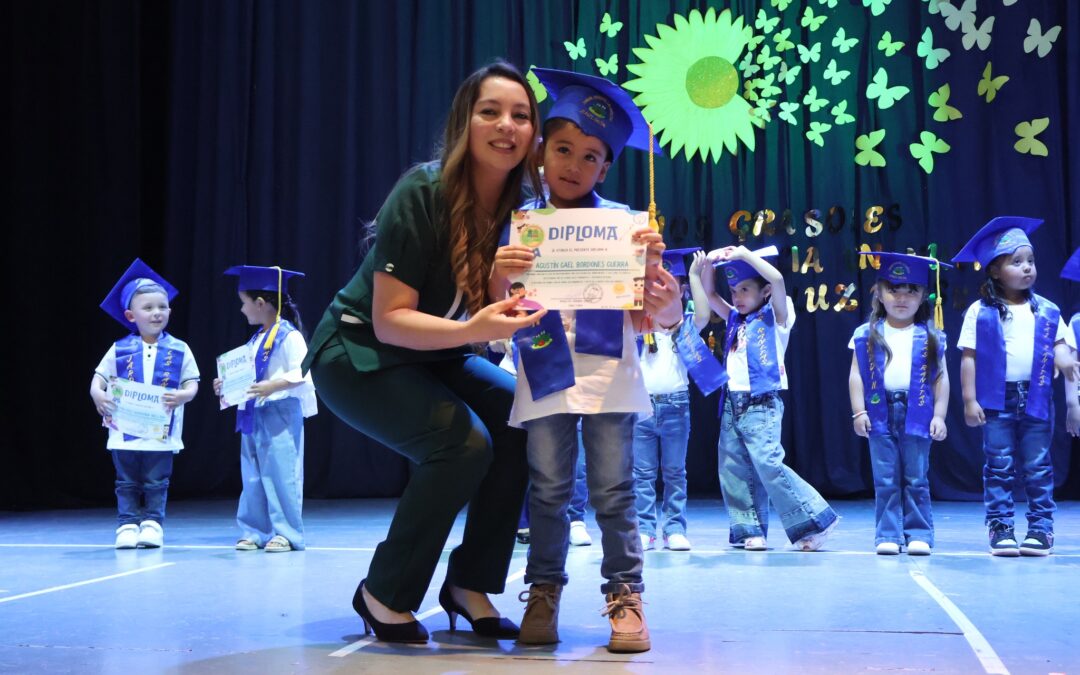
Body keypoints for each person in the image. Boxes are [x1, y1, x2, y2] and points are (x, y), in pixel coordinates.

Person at [301, 61, 545, 644]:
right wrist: (477, 327)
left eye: (521, 115)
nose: (506, 125)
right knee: (462, 444)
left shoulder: (522, 212)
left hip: (432, 352)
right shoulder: (423, 191)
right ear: (464, 122)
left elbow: (486, 308)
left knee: (523, 418)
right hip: (356, 352)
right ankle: (384, 592)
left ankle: (469, 585)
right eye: (490, 112)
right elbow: (389, 321)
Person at [501, 68, 683, 654]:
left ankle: (625, 595)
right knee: (548, 490)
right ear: (540, 152)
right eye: (563, 149)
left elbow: (660, 317)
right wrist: (500, 276)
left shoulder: (627, 229)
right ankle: (543, 591)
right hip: (545, 370)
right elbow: (499, 305)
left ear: (605, 169)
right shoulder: (522, 228)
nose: (574, 165)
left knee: (613, 491)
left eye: (590, 156)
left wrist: (660, 291)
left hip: (609, 375)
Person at [694, 245, 839, 552]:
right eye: (734, 290)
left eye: (745, 289)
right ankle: (750, 531)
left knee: (768, 464)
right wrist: (707, 265)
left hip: (761, 402)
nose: (737, 297)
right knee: (733, 468)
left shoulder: (777, 317)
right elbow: (710, 294)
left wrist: (744, 254)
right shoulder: (735, 319)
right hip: (732, 402)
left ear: (765, 292)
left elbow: (778, 279)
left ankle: (815, 521)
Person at [952, 216, 1079, 556]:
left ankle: (1041, 528)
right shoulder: (980, 311)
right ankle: (1000, 526)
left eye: (1031, 261)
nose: (1027, 268)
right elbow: (969, 358)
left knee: (1038, 465)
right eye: (1017, 261)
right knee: (999, 465)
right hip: (997, 402)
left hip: (1036, 398)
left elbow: (1060, 343)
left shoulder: (1047, 310)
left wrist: (1064, 359)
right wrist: (969, 400)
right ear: (995, 271)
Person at [90, 259, 199, 549]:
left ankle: (152, 524)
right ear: (130, 315)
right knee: (125, 481)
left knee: (156, 481)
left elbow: (192, 383)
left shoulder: (179, 349)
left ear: (170, 311)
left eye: (162, 306)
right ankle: (127, 525)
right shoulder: (119, 349)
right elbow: (98, 380)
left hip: (160, 432)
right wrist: (98, 395)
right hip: (123, 429)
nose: (156, 312)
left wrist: (184, 395)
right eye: (148, 308)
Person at [848, 253, 950, 556]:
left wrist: (940, 415)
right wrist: (858, 411)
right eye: (894, 289)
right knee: (885, 478)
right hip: (880, 412)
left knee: (917, 477)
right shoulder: (866, 334)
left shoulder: (931, 336)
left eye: (911, 290)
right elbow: (856, 375)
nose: (902, 298)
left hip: (917, 411)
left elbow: (941, 378)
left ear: (923, 296)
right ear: (879, 293)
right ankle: (888, 534)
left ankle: (918, 533)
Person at [213, 265, 316, 553]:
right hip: (253, 412)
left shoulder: (289, 336)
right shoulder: (257, 338)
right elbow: (248, 376)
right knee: (253, 475)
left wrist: (273, 386)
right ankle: (255, 531)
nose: (242, 309)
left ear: (260, 303)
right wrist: (225, 385)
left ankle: (287, 533)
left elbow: (303, 373)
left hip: (280, 411)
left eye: (244, 303)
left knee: (282, 474)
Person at [632, 248, 710, 552]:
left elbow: (704, 314)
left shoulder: (685, 326)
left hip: (675, 405)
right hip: (641, 406)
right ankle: (644, 529)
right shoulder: (639, 323)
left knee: (675, 471)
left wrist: (695, 276)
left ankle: (675, 528)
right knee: (642, 473)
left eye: (670, 286)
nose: (661, 291)